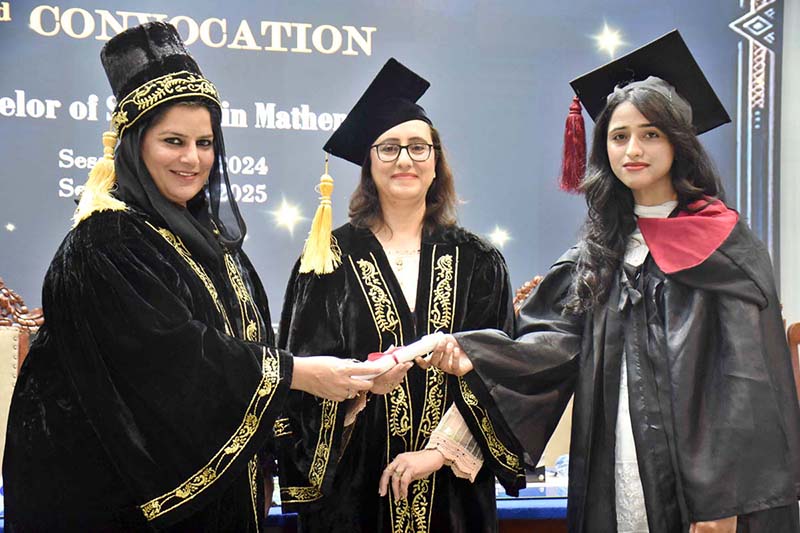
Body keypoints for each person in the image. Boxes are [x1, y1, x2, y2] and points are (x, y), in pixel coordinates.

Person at [420, 31, 800, 533]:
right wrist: (477, 351)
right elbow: (551, 344)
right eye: (619, 137)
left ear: (678, 143)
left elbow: (746, 382)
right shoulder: (597, 252)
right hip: (614, 461)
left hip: (700, 484)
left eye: (651, 134)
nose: (633, 150)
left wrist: (723, 503)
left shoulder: (723, 244)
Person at [2, 22, 375, 531]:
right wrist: (300, 374)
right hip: (120, 504)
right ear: (134, 144)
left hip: (218, 502)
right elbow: (174, 359)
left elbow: (243, 352)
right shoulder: (104, 244)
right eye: (173, 141)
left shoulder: (214, 244)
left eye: (205, 142)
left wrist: (333, 390)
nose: (192, 159)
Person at [275, 58, 526, 532]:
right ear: (369, 164)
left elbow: (502, 374)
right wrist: (358, 390)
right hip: (354, 493)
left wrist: (440, 452)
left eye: (418, 147)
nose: (405, 160)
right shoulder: (326, 260)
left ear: (436, 164)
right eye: (389, 148)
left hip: (453, 493)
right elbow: (298, 383)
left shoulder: (479, 261)